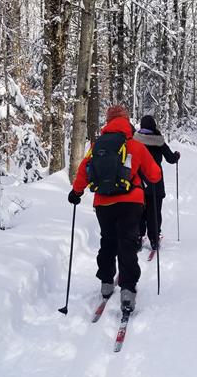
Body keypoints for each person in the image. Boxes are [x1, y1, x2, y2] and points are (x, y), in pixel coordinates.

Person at [68, 104, 161, 313]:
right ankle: (127, 291)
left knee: (108, 242)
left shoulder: (97, 145)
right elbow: (154, 174)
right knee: (127, 244)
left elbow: (83, 170)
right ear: (127, 121)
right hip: (131, 203)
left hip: (104, 203)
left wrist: (76, 192)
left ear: (108, 122)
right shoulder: (134, 145)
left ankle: (106, 283)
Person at [133, 115, 180, 252]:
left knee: (140, 211)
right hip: (155, 181)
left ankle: (138, 237)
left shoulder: (135, 140)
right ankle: (154, 238)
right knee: (154, 211)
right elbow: (171, 159)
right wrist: (176, 156)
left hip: (139, 182)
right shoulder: (159, 141)